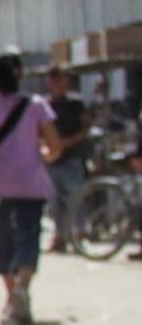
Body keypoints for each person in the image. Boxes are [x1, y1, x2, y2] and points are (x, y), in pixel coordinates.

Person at [0, 54, 64, 325]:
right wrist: (41, 158)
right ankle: (23, 287)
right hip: (30, 183)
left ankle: (13, 296)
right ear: (20, 76)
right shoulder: (36, 105)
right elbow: (55, 145)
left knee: (3, 241)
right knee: (28, 236)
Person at [45, 68, 91, 253]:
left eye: (60, 79)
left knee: (76, 198)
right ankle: (60, 236)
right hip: (52, 159)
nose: (57, 83)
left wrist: (70, 141)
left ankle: (79, 234)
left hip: (72, 157)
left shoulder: (76, 103)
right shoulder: (45, 104)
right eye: (54, 80)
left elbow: (86, 127)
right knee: (54, 202)